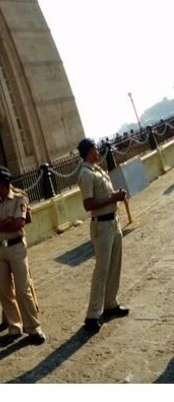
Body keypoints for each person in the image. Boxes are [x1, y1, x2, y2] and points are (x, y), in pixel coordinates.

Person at [0, 167, 47, 345]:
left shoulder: (20, 198)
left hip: (16, 247)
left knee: (22, 288)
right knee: (3, 289)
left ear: (4, 184)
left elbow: (19, 223)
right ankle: (14, 326)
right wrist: (5, 223)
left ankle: (33, 328)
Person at [77, 138, 131, 334]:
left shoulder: (96, 170)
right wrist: (113, 198)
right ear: (90, 151)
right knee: (102, 269)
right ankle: (92, 315)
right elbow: (88, 205)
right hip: (101, 226)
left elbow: (104, 197)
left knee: (115, 263)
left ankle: (110, 303)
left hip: (113, 221)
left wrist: (116, 196)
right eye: (95, 149)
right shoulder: (85, 174)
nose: (98, 151)